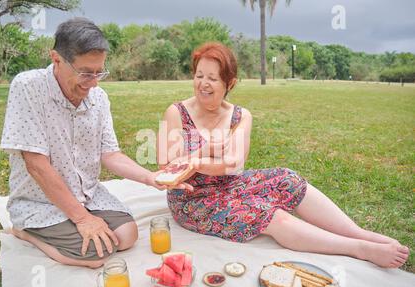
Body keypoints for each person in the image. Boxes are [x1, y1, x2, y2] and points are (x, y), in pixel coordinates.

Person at [157, 42, 409, 268]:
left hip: (230, 182)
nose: (203, 83)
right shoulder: (176, 112)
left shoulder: (240, 115)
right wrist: (204, 152)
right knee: (270, 215)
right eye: (199, 75)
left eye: (212, 78)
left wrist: (194, 159)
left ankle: (359, 233)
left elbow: (233, 164)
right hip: (193, 201)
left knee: (288, 178)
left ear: (229, 83)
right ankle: (359, 249)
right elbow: (165, 165)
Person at [0, 18, 191, 269]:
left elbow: (110, 154)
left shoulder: (99, 98)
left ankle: (72, 223)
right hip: (41, 201)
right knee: (96, 254)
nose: (94, 82)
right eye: (85, 73)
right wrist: (82, 220)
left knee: (127, 236)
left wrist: (151, 178)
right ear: (57, 59)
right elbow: (36, 165)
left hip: (87, 195)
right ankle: (25, 231)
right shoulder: (28, 86)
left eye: (99, 72)